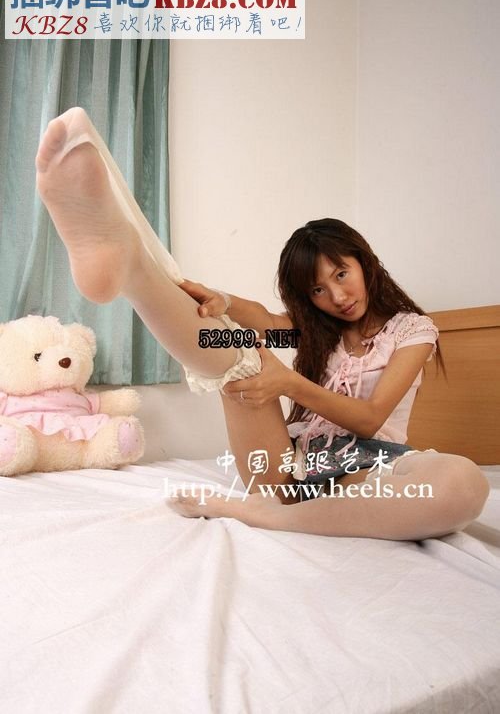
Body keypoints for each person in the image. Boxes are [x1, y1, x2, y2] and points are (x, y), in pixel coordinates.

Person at [34, 107, 489, 541]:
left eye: (341, 274)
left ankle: (263, 513)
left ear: (364, 261)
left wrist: (288, 383)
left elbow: (370, 421)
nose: (336, 297)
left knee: (461, 483)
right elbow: (267, 321)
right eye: (317, 290)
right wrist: (221, 299)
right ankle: (133, 270)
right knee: (235, 346)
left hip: (370, 471)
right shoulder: (320, 332)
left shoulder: (412, 331)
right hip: (285, 469)